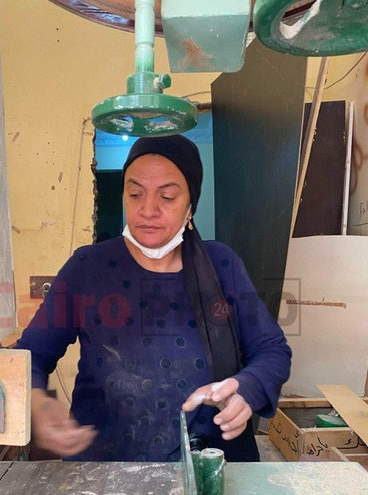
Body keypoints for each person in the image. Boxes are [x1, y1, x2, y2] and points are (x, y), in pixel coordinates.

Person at [16, 135, 291, 463]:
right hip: (105, 469)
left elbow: (272, 350)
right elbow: (30, 356)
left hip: (211, 464)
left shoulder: (221, 265)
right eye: (135, 194)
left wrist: (247, 387)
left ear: (190, 207)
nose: (147, 210)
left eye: (168, 196)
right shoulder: (87, 268)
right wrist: (38, 402)